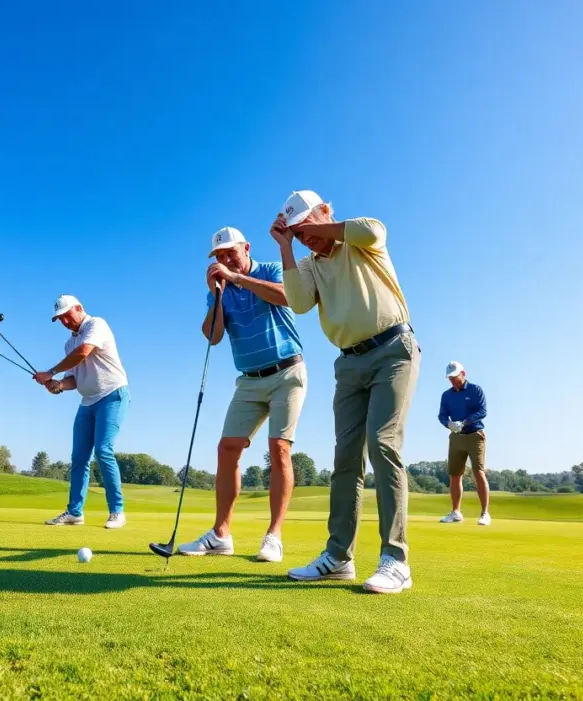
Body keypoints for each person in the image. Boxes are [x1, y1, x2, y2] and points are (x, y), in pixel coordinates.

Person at [270, 190, 421, 594]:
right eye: (299, 235)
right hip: (349, 363)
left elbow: (373, 229)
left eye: (308, 228)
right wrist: (287, 246)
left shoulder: (362, 240)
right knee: (346, 460)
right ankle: (339, 557)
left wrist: (310, 227)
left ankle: (396, 560)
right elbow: (299, 303)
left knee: (383, 444)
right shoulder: (308, 264)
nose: (307, 239)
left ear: (325, 213)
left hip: (393, 350)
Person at [178, 227, 307, 562]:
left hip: (287, 371)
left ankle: (273, 537)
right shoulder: (219, 289)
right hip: (248, 380)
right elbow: (213, 336)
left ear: (246, 248)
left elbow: (286, 296)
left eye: (229, 253)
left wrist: (236, 278)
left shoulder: (269, 270)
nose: (224, 260)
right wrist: (218, 295)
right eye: (219, 256)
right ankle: (221, 534)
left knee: (278, 447)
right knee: (227, 448)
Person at [32, 294, 131, 529]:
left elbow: (84, 351)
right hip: (87, 402)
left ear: (79, 308)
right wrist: (57, 385)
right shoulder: (69, 344)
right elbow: (73, 379)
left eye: (67, 316)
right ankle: (74, 512)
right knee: (78, 458)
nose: (65, 322)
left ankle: (117, 512)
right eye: (60, 319)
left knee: (103, 451)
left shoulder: (97, 324)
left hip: (112, 395)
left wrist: (51, 371)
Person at [438, 361, 491, 526]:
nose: (453, 380)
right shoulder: (446, 395)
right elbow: (441, 415)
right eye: (450, 378)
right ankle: (455, 512)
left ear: (463, 373)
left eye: (455, 377)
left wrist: (465, 421)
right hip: (456, 436)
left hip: (475, 435)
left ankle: (484, 514)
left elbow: (483, 411)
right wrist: (448, 424)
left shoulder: (475, 390)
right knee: (454, 475)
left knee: (478, 473)